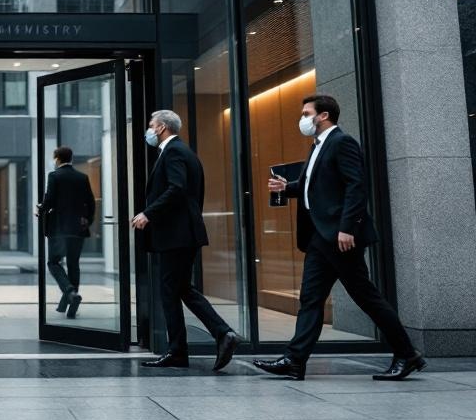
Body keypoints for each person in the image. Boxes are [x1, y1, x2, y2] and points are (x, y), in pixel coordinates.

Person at [254, 95, 425, 381]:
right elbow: (317, 187)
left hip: (340, 236)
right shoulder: (318, 145)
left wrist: (347, 228)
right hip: (320, 238)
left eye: (306, 113)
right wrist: (289, 187)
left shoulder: (341, 142)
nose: (302, 118)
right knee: (310, 298)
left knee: (366, 297)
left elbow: (356, 187)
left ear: (322, 116)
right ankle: (295, 360)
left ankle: (408, 354)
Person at [132, 110, 242, 371]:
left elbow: (177, 188)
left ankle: (185, 348)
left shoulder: (175, 152)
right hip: (183, 233)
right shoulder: (183, 152)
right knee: (181, 288)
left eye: (150, 126)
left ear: (160, 128)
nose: (148, 131)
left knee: (170, 290)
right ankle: (216, 336)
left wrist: (149, 213)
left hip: (176, 235)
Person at [40, 146, 95, 319]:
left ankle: (70, 292)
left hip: (59, 228)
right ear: (71, 158)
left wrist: (41, 210)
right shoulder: (82, 177)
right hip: (78, 229)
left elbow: (49, 200)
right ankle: (69, 305)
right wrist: (87, 220)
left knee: (54, 263)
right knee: (73, 264)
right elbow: (91, 203)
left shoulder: (54, 176)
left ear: (57, 158)